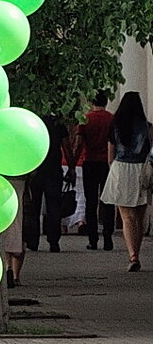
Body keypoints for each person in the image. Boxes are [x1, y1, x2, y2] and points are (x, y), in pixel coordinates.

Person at [101, 91, 152, 272]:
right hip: (141, 171)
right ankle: (136, 252)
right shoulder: (147, 127)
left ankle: (133, 256)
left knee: (126, 217)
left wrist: (113, 172)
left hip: (121, 169)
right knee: (139, 216)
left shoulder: (116, 126)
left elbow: (110, 156)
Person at [25, 113, 75, 253]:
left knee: (34, 206)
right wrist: (71, 168)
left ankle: (33, 241)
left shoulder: (33, 120)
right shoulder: (58, 122)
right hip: (54, 170)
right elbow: (66, 147)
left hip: (35, 169)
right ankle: (54, 241)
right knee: (54, 207)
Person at [74, 91, 116, 250]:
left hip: (90, 162)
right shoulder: (111, 118)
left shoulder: (85, 119)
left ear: (92, 102)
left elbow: (79, 143)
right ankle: (108, 236)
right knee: (108, 200)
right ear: (105, 102)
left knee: (90, 202)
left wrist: (73, 163)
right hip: (107, 163)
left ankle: (93, 239)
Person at [2, 176, 28, 288]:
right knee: (19, 226)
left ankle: (8, 268)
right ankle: (16, 275)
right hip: (20, 180)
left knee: (6, 224)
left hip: (2, 179)